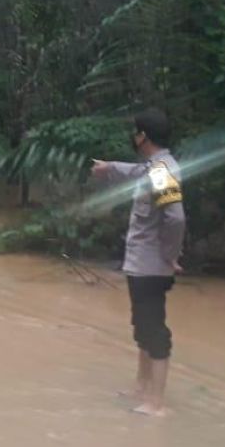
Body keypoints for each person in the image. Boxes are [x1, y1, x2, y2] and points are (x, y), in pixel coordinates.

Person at [91, 108, 186, 416]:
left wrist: (170, 256)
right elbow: (135, 172)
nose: (133, 137)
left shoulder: (161, 171)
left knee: (153, 330)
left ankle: (156, 404)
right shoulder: (153, 167)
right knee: (142, 328)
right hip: (141, 264)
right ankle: (141, 389)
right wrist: (108, 168)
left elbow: (175, 218)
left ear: (144, 136)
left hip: (151, 266)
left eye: (136, 132)